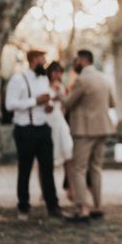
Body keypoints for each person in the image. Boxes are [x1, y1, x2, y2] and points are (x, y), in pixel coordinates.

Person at [5, 50, 62, 220]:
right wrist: (34, 101)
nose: (44, 63)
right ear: (32, 60)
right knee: (25, 169)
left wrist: (48, 105)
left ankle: (53, 206)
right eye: (41, 60)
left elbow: (45, 101)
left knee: (48, 169)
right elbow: (9, 104)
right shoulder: (18, 79)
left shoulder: (44, 79)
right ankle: (23, 207)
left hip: (43, 128)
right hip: (25, 130)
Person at [61, 50, 116, 222]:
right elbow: (112, 103)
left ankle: (82, 209)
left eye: (76, 59)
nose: (74, 62)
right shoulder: (104, 79)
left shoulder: (81, 79)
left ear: (83, 60)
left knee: (78, 168)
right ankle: (97, 207)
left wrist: (58, 93)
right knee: (96, 168)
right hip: (103, 129)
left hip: (84, 130)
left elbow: (68, 103)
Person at [45, 61, 75, 201]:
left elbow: (65, 106)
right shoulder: (44, 85)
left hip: (59, 121)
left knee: (68, 153)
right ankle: (45, 190)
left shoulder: (61, 86)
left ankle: (70, 188)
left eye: (60, 72)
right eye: (55, 71)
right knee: (47, 158)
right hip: (47, 121)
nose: (57, 74)